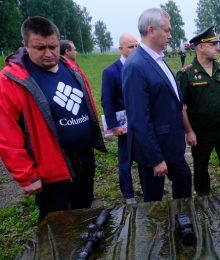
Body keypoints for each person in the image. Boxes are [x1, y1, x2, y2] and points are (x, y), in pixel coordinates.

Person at [0, 16, 107, 222]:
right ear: (25, 45)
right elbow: (6, 134)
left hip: (84, 158)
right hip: (51, 169)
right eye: (40, 48)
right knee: (56, 221)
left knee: (83, 210)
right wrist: (26, 175)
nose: (49, 54)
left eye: (53, 46)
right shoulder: (12, 80)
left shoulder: (70, 67)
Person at [122, 8, 191, 202]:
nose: (170, 35)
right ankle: (156, 231)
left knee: (184, 182)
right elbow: (138, 119)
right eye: (167, 30)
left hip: (171, 145)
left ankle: (181, 223)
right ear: (151, 30)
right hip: (154, 150)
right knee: (153, 200)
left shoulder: (157, 58)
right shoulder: (136, 66)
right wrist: (155, 159)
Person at [176, 26, 220, 196]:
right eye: (213, 44)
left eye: (217, 43)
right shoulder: (186, 74)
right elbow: (181, 106)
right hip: (201, 132)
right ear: (201, 47)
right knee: (200, 167)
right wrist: (188, 131)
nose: (217, 47)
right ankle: (203, 198)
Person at [101, 33, 140, 204]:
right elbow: (107, 101)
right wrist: (113, 126)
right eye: (131, 46)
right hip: (124, 126)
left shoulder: (141, 67)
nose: (135, 49)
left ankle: (148, 187)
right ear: (121, 48)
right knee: (125, 161)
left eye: (137, 46)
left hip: (142, 122)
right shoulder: (111, 72)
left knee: (145, 158)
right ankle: (129, 195)